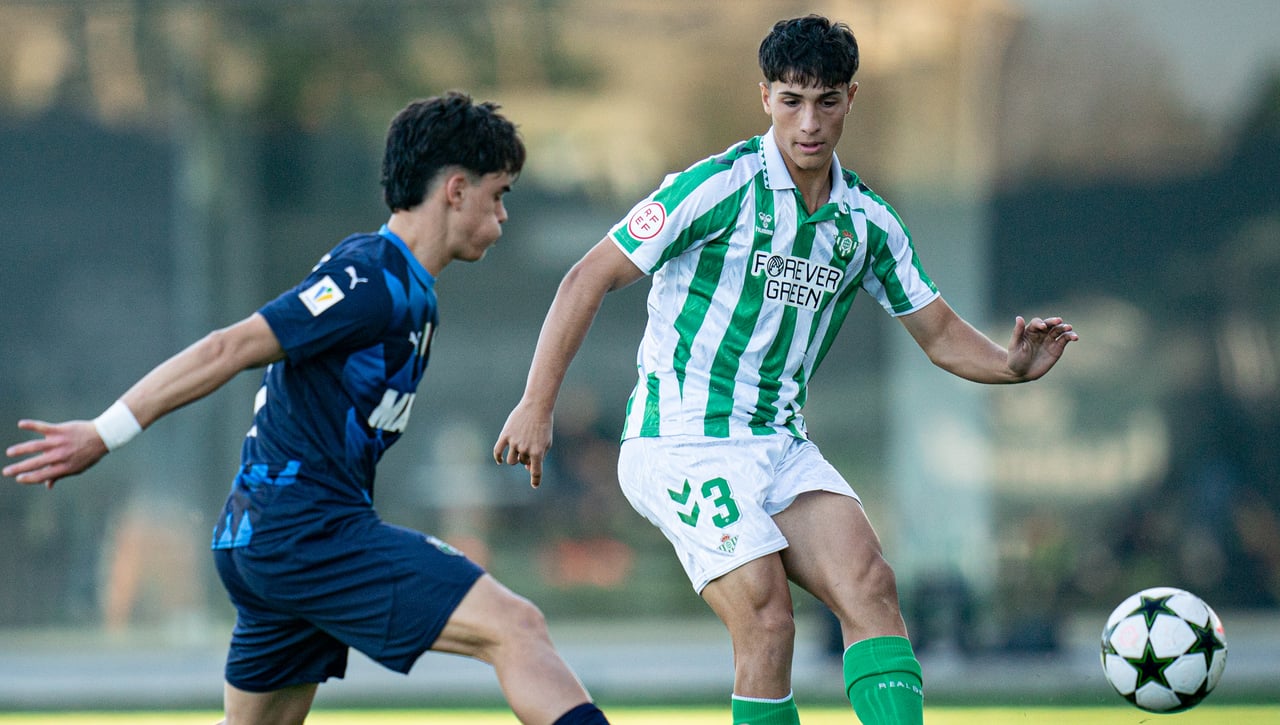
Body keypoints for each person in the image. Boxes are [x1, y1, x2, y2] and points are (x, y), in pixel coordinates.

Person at [494, 15, 1077, 725]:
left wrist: (1011, 366)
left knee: (870, 582)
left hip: (779, 443)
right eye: (792, 99)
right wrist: (536, 402)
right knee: (769, 618)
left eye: (827, 101)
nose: (809, 121)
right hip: (680, 440)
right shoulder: (715, 186)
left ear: (851, 100)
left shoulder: (868, 223)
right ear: (764, 96)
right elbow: (587, 276)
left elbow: (941, 333)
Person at [4, 92, 610, 725]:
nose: (504, 214)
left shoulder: (403, 287)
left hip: (268, 535)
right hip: (305, 532)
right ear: (456, 190)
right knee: (517, 627)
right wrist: (104, 432)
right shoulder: (371, 280)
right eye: (499, 193)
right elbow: (228, 346)